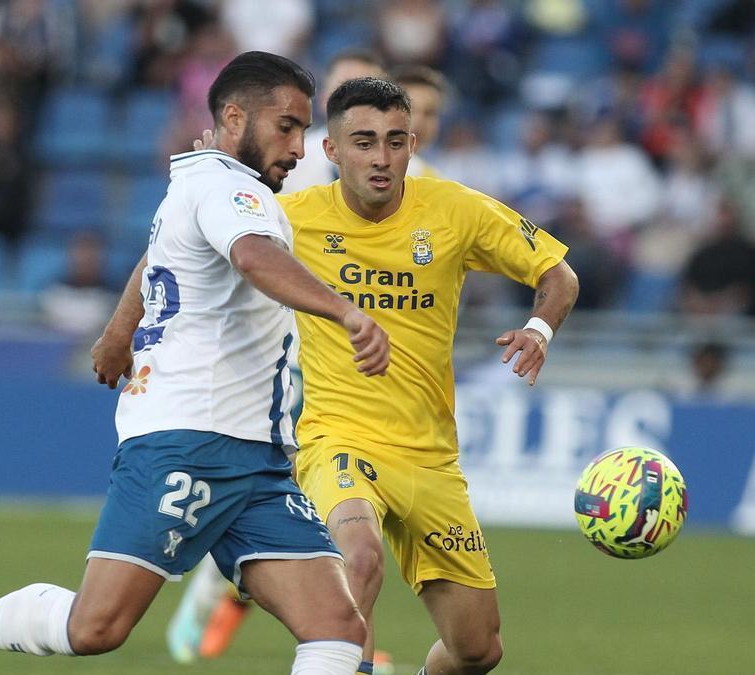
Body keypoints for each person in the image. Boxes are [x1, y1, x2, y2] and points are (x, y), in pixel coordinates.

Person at [0, 51, 391, 675]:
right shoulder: (230, 190)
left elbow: (163, 256)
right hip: (189, 442)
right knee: (96, 627)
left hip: (257, 457)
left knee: (338, 626)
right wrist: (347, 314)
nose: (300, 147)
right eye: (287, 127)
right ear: (234, 117)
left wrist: (118, 329)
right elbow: (251, 257)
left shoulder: (199, 181)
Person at [155, 77, 579, 675]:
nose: (381, 158)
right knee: (358, 556)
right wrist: (126, 331)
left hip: (431, 459)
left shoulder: (456, 210)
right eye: (363, 142)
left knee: (478, 650)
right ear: (331, 151)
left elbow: (559, 274)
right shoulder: (290, 218)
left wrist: (538, 330)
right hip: (338, 440)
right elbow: (182, 242)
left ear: (412, 144)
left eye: (395, 141)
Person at [281, 49, 386, 193]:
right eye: (345, 90)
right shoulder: (291, 163)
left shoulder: (411, 170)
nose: (357, 100)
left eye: (369, 92)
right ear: (324, 99)